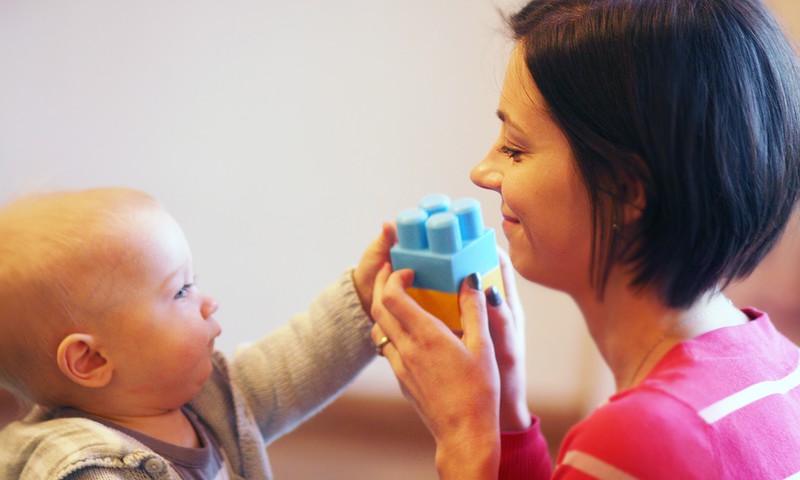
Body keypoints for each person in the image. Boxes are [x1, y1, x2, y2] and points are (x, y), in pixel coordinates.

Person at [370, 0, 800, 478]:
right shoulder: (783, 371)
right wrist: (505, 415)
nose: (482, 171)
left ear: (626, 190)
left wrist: (463, 435)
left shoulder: (635, 444)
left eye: (514, 148)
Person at [0, 187, 395, 479]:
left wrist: (363, 296)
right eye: (181, 291)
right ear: (92, 360)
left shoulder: (205, 401)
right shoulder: (88, 470)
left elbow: (295, 365)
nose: (208, 302)